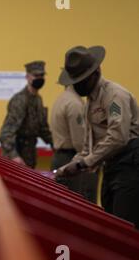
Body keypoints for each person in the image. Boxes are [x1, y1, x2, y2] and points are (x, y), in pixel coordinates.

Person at [57, 46, 139, 228]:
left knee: (125, 227)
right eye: (74, 82)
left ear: (96, 73)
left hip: (130, 164)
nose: (76, 86)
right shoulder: (90, 102)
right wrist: (70, 165)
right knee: (110, 222)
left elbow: (118, 136)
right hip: (111, 165)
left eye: (80, 81)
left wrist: (85, 163)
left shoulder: (114, 96)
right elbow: (89, 145)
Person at [0, 61, 54, 168]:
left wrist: (56, 144)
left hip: (29, 153)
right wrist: (14, 156)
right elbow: (6, 133)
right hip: (16, 156)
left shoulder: (38, 100)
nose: (39, 78)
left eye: (42, 75)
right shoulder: (20, 100)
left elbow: (43, 129)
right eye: (36, 75)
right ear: (27, 77)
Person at [50, 85, 98, 203]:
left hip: (60, 157)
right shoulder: (74, 103)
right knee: (78, 203)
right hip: (72, 160)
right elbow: (80, 141)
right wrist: (90, 160)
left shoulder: (61, 99)